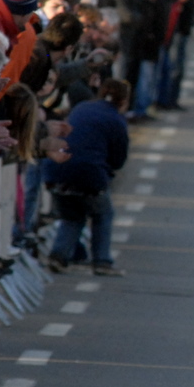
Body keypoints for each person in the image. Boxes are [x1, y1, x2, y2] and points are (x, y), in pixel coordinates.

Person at [43, 79, 130, 276]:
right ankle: (102, 261)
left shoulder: (82, 107)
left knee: (71, 216)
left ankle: (59, 255)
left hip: (56, 167)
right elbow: (118, 158)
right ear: (124, 101)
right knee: (102, 214)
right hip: (89, 173)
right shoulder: (116, 120)